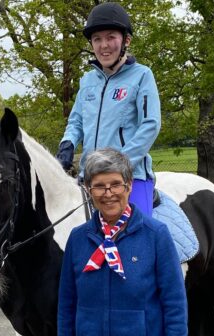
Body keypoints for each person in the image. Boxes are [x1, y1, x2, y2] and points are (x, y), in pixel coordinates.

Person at [57, 149, 187, 336]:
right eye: (99, 186)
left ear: (129, 186)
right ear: (89, 190)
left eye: (115, 184)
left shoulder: (156, 236)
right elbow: (66, 306)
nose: (108, 193)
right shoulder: (78, 239)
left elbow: (175, 308)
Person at [56, 2, 161, 217]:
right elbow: (76, 122)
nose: (104, 45)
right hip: (91, 177)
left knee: (138, 240)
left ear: (126, 40)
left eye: (111, 37)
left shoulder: (142, 76)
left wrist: (119, 164)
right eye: (97, 39)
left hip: (130, 176)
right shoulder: (87, 81)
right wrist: (67, 144)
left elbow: (150, 125)